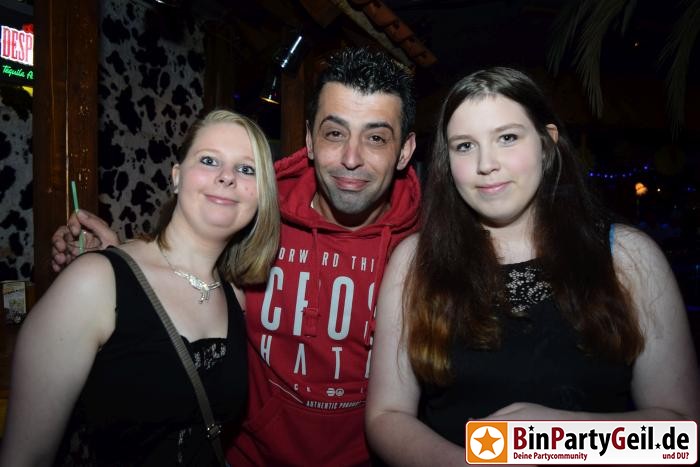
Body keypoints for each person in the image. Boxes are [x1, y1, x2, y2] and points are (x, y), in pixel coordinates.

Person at [49, 47, 421, 466]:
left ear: (405, 151)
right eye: (335, 133)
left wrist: (487, 451)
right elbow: (185, 258)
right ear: (309, 140)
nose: (351, 158)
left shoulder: (425, 250)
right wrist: (115, 268)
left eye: (376, 138)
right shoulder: (256, 212)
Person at [365, 67, 700, 466]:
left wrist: (554, 438)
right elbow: (386, 415)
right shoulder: (415, 261)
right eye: (465, 146)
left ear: (546, 143)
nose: (486, 164)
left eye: (507, 138)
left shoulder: (628, 257)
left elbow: (682, 433)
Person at [0, 109, 280, 466]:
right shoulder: (94, 284)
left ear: (261, 195)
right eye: (209, 160)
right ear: (176, 177)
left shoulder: (236, 295)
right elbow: (26, 457)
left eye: (246, 169)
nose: (227, 176)